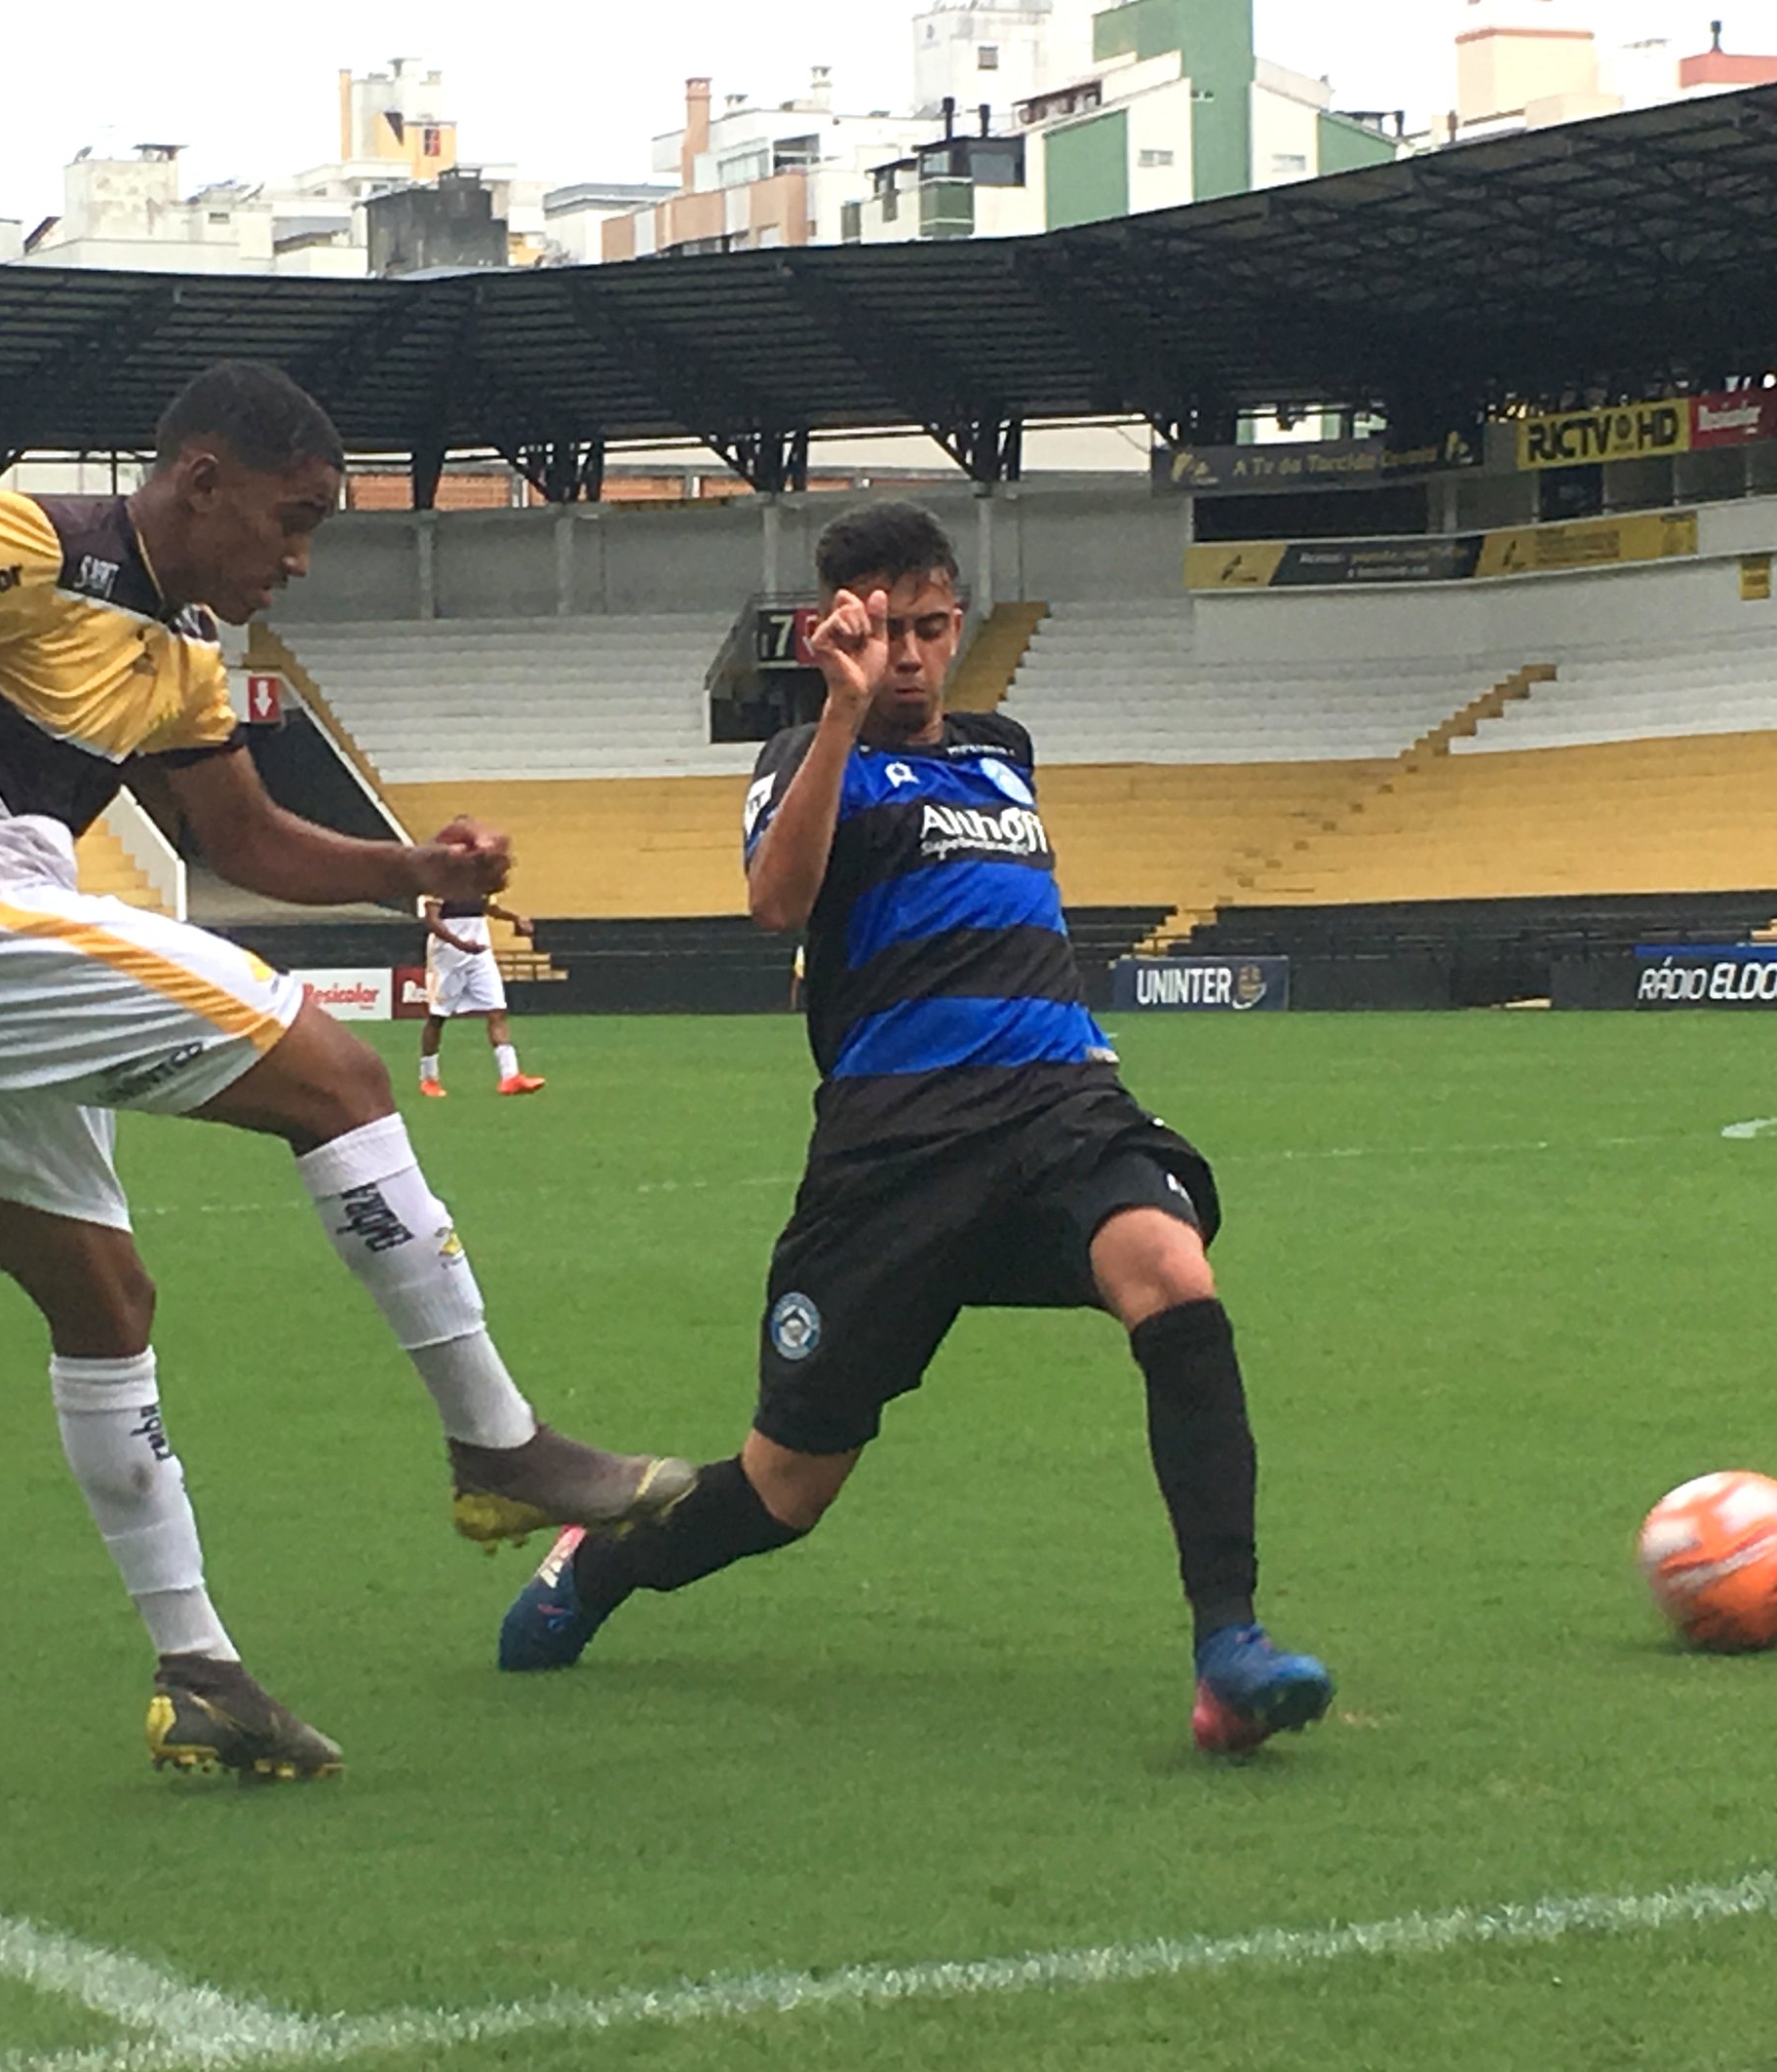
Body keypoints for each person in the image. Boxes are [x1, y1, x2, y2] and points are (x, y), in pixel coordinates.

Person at [0, 361, 692, 1781]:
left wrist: (417, 872)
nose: (297, 559)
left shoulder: (182, 655)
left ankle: (198, 1675)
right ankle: (497, 1442)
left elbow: (246, 841)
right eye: (291, 519)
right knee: (341, 1081)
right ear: (202, 482)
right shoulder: (23, 540)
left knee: (105, 1300)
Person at [497, 501, 1333, 1757]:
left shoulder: (1004, 749)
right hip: (895, 1153)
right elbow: (777, 903)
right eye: (885, 631)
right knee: (786, 1488)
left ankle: (1231, 1648)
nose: (911, 655)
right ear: (834, 628)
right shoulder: (804, 755)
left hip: (1059, 1108)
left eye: (932, 627)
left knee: (1172, 1274)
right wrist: (836, 714)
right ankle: (604, 1561)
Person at [417, 894, 544, 1096]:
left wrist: (515, 918)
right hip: (448, 958)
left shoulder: (480, 882)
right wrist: (460, 944)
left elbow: (489, 908)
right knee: (437, 1017)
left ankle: (510, 1076)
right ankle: (429, 1078)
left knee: (497, 1010)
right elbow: (432, 920)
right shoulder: (437, 882)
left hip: (479, 955)